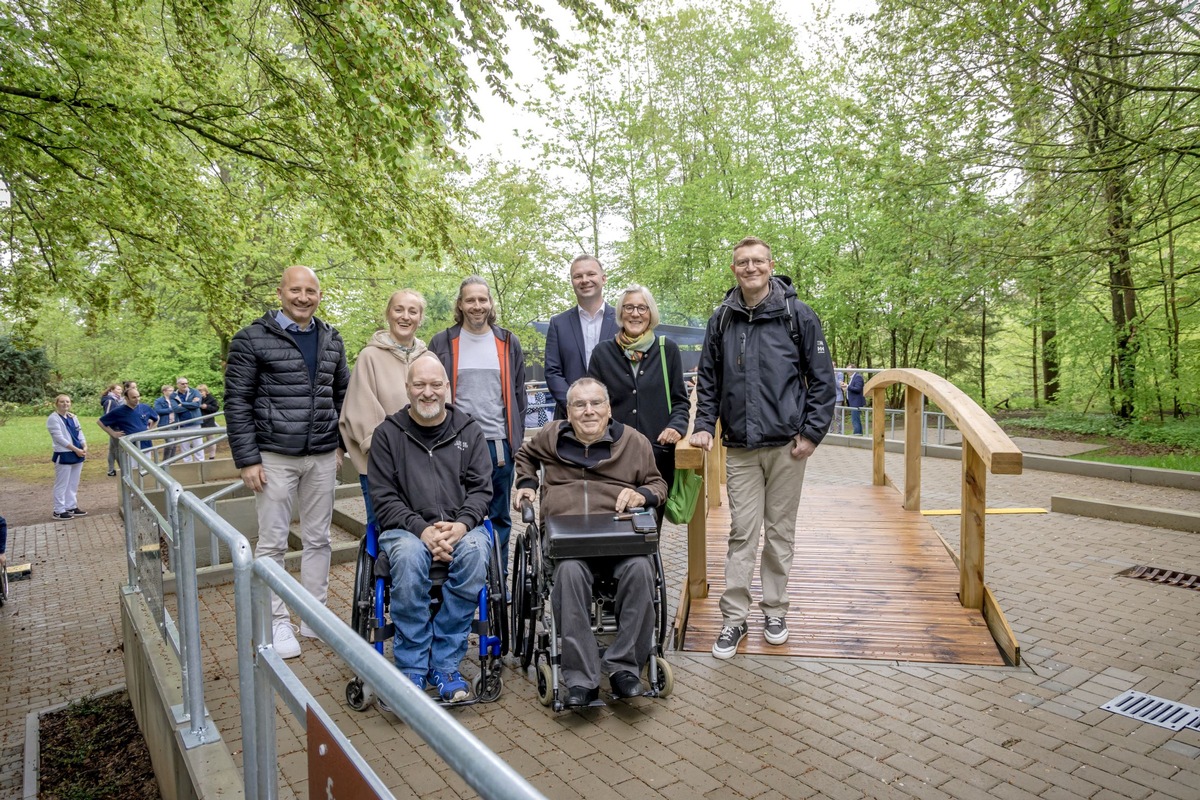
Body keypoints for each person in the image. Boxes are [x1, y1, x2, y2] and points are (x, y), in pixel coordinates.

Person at [689, 236, 836, 659]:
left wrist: (812, 433)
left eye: (757, 261)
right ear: (733, 269)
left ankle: (775, 610)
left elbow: (823, 380)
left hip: (788, 446)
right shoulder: (722, 320)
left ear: (771, 265)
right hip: (739, 447)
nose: (750, 268)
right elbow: (710, 381)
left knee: (779, 533)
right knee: (742, 533)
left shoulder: (798, 315)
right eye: (742, 262)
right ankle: (734, 619)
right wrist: (703, 426)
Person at [513, 377, 667, 707]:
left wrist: (641, 495)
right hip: (567, 546)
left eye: (596, 403)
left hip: (618, 541)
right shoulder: (550, 437)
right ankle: (582, 678)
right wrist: (526, 483)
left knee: (642, 569)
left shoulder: (633, 442)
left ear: (608, 408)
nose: (588, 411)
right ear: (568, 412)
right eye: (580, 405)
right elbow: (524, 455)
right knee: (568, 575)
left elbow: (658, 484)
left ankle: (624, 669)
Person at [225, 265, 350, 659]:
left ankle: (313, 614)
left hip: (322, 456)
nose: (303, 297)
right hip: (274, 456)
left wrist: (341, 445)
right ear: (280, 293)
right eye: (295, 290)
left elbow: (342, 394)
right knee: (274, 543)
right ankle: (277, 622)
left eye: (310, 291)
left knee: (319, 539)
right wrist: (247, 459)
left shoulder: (332, 339)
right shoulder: (251, 339)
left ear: (319, 295)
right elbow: (237, 402)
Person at [367, 354, 492, 701]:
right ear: (407, 388)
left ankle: (446, 663)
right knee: (407, 558)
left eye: (435, 384)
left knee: (476, 553)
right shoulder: (387, 435)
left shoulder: (469, 430)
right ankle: (412, 666)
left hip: (463, 528)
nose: (428, 392)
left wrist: (462, 524)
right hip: (405, 530)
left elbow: (482, 489)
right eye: (419, 385)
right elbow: (383, 497)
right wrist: (421, 530)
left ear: (447, 387)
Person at [429, 276, 525, 586]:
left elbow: (519, 395)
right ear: (460, 304)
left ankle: (497, 580)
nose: (477, 306)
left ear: (491, 304)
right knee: (455, 515)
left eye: (482, 300)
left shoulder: (508, 342)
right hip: (452, 443)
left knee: (498, 516)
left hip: (498, 444)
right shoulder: (441, 343)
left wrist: (516, 442)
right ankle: (458, 580)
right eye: (470, 300)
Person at [587, 285, 689, 528]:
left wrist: (676, 427)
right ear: (620, 314)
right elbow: (592, 403)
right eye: (629, 307)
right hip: (614, 457)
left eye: (641, 308)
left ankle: (648, 568)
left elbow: (681, 402)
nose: (635, 313)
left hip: (656, 457)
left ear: (650, 313)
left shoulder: (667, 350)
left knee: (651, 529)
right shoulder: (603, 353)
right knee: (615, 524)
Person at [339, 289, 428, 532]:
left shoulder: (428, 359)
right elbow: (360, 409)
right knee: (385, 530)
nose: (405, 316)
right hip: (380, 466)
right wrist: (388, 450)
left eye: (413, 311)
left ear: (420, 318)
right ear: (388, 314)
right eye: (399, 309)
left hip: (423, 466)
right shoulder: (369, 357)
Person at [544, 255, 619, 419]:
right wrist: (573, 407)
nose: (585, 280)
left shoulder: (622, 321)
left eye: (591, 274)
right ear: (572, 282)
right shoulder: (558, 323)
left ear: (603, 278)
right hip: (568, 418)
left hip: (614, 417)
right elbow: (552, 372)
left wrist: (606, 408)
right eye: (578, 276)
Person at [47, 394, 88, 520]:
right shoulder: (53, 419)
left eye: (68, 402)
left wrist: (84, 445)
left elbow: (79, 432)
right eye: (62, 402)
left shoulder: (72, 417)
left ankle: (71, 506)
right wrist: (75, 449)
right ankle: (58, 509)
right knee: (62, 483)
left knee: (73, 483)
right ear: (57, 403)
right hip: (64, 453)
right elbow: (58, 438)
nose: (65, 404)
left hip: (78, 452)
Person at [97, 385, 160, 456]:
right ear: (126, 398)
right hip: (130, 448)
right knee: (133, 467)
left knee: (146, 466)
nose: (137, 399)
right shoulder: (119, 411)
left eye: (138, 396)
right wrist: (113, 433)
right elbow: (100, 422)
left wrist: (150, 429)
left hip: (146, 446)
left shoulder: (145, 407)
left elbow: (156, 417)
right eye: (134, 397)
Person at [174, 377, 205, 462]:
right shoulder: (174, 395)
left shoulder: (194, 391)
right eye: (182, 384)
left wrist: (182, 404)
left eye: (186, 383)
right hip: (182, 423)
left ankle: (200, 462)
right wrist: (191, 404)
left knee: (198, 444)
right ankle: (187, 463)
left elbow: (197, 405)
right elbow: (175, 409)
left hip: (195, 422)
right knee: (184, 446)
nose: (185, 385)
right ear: (178, 385)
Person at [153, 385, 182, 461]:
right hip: (165, 424)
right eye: (170, 390)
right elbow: (158, 411)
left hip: (175, 423)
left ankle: (172, 460)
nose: (172, 392)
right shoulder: (159, 401)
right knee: (170, 443)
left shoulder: (175, 400)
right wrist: (171, 409)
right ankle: (165, 461)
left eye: (173, 390)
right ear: (164, 391)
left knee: (175, 444)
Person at [101, 383, 122, 476]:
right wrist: (111, 430)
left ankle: (111, 470)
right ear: (111, 390)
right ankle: (123, 469)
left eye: (121, 389)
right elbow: (107, 416)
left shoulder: (116, 400)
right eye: (118, 389)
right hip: (115, 429)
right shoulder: (110, 401)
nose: (120, 391)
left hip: (116, 427)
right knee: (118, 449)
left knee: (112, 449)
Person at [197, 384, 220, 460]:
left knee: (211, 439)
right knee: (198, 441)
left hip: (208, 422)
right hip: (198, 422)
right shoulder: (195, 399)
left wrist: (206, 407)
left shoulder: (211, 399)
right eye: (198, 391)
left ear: (206, 391)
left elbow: (215, 408)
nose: (200, 393)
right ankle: (200, 457)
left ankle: (212, 456)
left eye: (201, 391)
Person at [844, 365, 866, 436]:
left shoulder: (858, 377)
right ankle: (858, 433)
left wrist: (847, 386)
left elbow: (858, 389)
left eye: (848, 369)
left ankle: (857, 434)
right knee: (855, 419)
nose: (847, 371)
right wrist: (846, 389)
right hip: (852, 402)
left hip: (856, 402)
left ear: (853, 369)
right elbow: (852, 389)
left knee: (855, 419)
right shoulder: (853, 378)